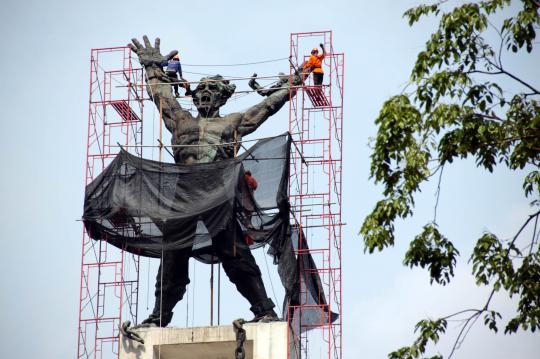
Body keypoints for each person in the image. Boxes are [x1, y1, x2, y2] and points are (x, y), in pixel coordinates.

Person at [126, 35, 303, 328]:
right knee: (171, 259)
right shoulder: (180, 121)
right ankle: (158, 317)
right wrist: (152, 68)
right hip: (182, 197)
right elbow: (161, 96)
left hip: (216, 196)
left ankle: (264, 310)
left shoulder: (230, 124)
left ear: (222, 97)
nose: (205, 93)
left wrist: (295, 81)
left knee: (234, 253)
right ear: (194, 96)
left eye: (212, 90)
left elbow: (266, 107)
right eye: (202, 89)